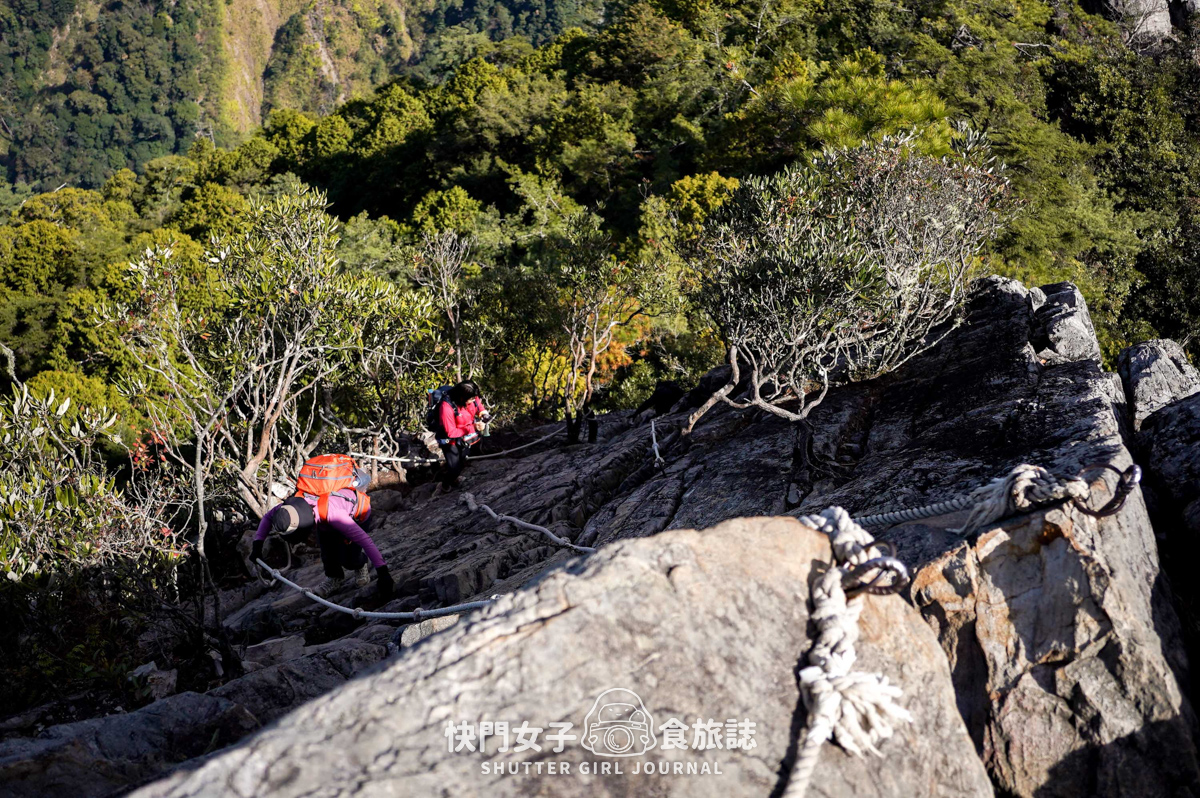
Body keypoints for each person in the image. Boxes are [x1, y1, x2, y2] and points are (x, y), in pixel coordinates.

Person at [250, 460, 393, 599]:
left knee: (349, 557)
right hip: (325, 518)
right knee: (327, 552)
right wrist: (257, 545)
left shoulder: (334, 515)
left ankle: (360, 564)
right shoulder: (293, 506)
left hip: (356, 516)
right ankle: (334, 578)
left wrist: (383, 573)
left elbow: (365, 541)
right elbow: (268, 517)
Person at [435, 381, 491, 492]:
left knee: (462, 459)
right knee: (454, 468)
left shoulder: (471, 398)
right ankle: (444, 485)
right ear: (461, 397)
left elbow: (478, 405)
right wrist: (473, 428)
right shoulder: (446, 407)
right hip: (449, 440)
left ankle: (453, 478)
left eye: (475, 397)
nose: (474, 400)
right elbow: (450, 432)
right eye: (471, 398)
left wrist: (483, 413)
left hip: (464, 435)